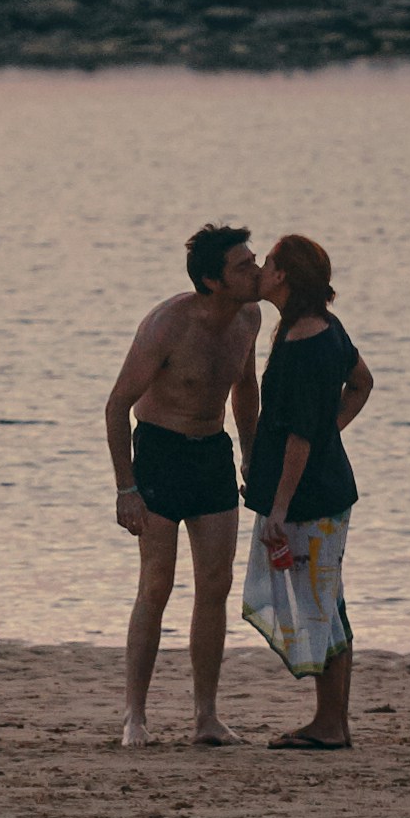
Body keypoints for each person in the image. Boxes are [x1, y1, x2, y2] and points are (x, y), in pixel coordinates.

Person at [105, 222, 275, 746]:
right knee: (156, 583)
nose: (256, 272)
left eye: (254, 261)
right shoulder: (166, 325)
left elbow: (245, 389)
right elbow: (116, 407)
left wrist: (250, 455)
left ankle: (206, 715)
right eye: (243, 267)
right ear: (212, 280)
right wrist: (125, 489)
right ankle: (135, 715)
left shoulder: (251, 316)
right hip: (159, 452)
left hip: (211, 454)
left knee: (215, 584)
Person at [244, 232, 373, 748]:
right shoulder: (322, 328)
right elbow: (361, 383)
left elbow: (299, 438)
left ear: (284, 277)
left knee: (321, 604)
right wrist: (330, 429)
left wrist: (278, 506)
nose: (261, 269)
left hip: (309, 497)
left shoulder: (303, 343)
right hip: (326, 489)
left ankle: (329, 724)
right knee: (328, 601)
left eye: (269, 262)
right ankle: (333, 722)